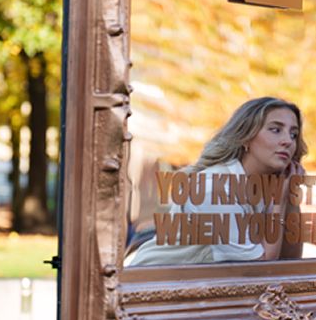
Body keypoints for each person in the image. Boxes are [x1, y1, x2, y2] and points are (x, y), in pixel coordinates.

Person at [129, 96, 306, 266]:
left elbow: (290, 261)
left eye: (294, 134)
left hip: (199, 288)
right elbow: (261, 268)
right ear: (246, 137)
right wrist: (279, 200)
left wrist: (291, 197)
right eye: (276, 130)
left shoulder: (267, 187)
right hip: (149, 287)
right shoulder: (214, 187)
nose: (288, 141)